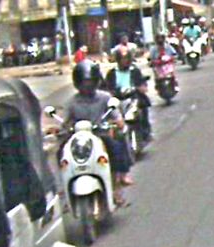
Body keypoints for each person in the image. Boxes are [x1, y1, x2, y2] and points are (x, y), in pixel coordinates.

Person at [64, 59, 134, 202]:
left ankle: (116, 187)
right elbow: (65, 122)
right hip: (80, 140)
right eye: (84, 82)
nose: (87, 85)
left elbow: (116, 115)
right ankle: (65, 192)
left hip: (101, 136)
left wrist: (117, 122)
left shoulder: (105, 98)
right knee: (62, 154)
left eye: (89, 82)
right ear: (77, 83)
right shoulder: (71, 102)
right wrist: (61, 128)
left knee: (115, 149)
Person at [105, 47, 152, 142]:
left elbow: (142, 83)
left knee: (142, 106)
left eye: (127, 58)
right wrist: (111, 92)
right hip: (118, 99)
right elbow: (107, 87)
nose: (125, 61)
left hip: (133, 97)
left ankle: (145, 131)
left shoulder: (134, 71)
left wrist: (140, 88)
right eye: (123, 58)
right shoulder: (112, 73)